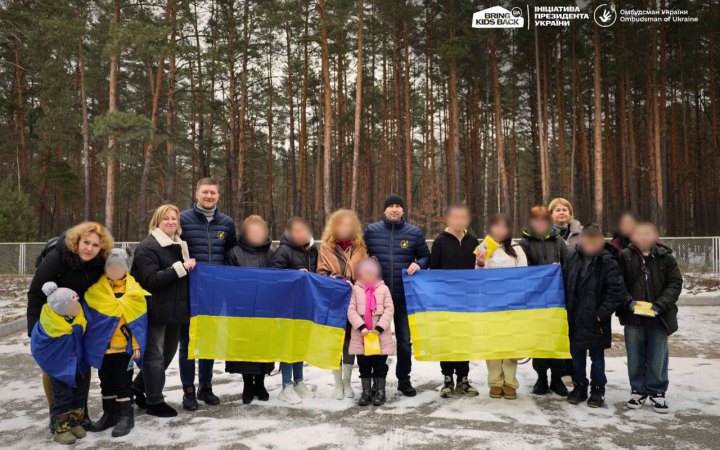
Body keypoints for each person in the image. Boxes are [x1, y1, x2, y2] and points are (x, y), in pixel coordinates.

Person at [27, 221, 113, 430]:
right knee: (54, 366)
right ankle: (57, 413)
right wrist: (35, 331)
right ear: (77, 241)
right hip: (54, 320)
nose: (89, 248)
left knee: (81, 364)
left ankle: (79, 413)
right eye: (86, 242)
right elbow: (36, 293)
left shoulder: (99, 262)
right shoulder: (57, 258)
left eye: (95, 245)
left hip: (80, 320)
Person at [131, 204, 195, 417]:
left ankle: (138, 388)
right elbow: (150, 279)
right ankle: (154, 401)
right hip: (154, 310)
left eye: (174, 219)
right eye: (166, 218)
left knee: (167, 354)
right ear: (157, 222)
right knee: (155, 356)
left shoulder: (179, 244)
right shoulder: (148, 247)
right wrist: (181, 268)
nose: (170, 222)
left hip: (175, 310)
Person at [178, 177, 237, 410]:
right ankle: (188, 390)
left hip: (215, 292)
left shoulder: (227, 223)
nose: (209, 196)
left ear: (218, 196)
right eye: (205, 192)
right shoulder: (182, 219)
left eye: (213, 192)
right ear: (197, 194)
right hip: (188, 290)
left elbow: (232, 255)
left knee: (209, 341)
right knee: (188, 342)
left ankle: (205, 386)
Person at [364, 195, 430, 397]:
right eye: (390, 206)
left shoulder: (414, 233)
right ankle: (377, 380)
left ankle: (404, 380)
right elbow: (360, 256)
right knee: (377, 338)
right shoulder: (371, 231)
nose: (394, 209)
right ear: (384, 211)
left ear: (403, 211)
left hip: (403, 296)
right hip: (377, 297)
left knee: (403, 340)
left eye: (398, 206)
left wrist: (419, 264)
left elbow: (426, 256)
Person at [617, 221, 683, 414]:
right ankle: (637, 390)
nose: (643, 237)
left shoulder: (666, 257)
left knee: (658, 356)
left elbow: (675, 283)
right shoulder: (624, 257)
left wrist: (660, 305)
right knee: (635, 356)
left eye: (648, 233)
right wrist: (628, 302)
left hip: (659, 316)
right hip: (633, 317)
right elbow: (617, 283)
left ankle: (657, 392)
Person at [83, 248, 148, 437]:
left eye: (119, 267)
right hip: (104, 349)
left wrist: (136, 345)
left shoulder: (134, 292)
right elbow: (91, 320)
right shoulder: (96, 291)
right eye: (110, 267)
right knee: (106, 382)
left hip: (124, 350)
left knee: (123, 383)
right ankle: (109, 414)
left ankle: (126, 416)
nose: (114, 271)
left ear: (126, 269)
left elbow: (138, 323)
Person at [563, 224, 625, 408]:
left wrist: (601, 314)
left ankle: (598, 389)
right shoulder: (573, 257)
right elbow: (564, 283)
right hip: (574, 317)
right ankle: (579, 386)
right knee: (576, 355)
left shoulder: (607, 261)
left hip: (596, 320)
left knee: (597, 357)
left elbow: (616, 291)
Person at [429, 204, 479, 398]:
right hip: (446, 300)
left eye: (463, 217)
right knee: (448, 337)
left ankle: (463, 378)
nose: (459, 221)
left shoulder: (473, 241)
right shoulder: (441, 241)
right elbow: (434, 270)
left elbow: (478, 270)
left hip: (467, 299)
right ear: (448, 219)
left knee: (464, 337)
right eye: (455, 217)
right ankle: (447, 378)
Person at [518, 206, 569, 397]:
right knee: (539, 340)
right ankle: (541, 377)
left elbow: (569, 265)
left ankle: (557, 378)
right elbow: (523, 271)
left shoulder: (558, 242)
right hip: (535, 301)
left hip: (557, 300)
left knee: (556, 339)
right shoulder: (524, 243)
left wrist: (559, 271)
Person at [317, 209, 368, 400]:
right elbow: (321, 273)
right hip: (334, 300)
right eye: (341, 224)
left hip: (355, 300)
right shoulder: (326, 247)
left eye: (348, 224)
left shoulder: (360, 247)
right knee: (334, 340)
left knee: (350, 340)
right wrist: (338, 279)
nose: (345, 228)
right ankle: (337, 383)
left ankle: (347, 382)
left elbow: (366, 271)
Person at [476, 213, 528, 400]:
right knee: (493, 342)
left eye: (504, 227)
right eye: (496, 226)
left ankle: (510, 382)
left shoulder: (516, 249)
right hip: (491, 304)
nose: (500, 230)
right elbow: (476, 277)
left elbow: (524, 276)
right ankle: (495, 382)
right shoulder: (483, 247)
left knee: (510, 342)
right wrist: (480, 264)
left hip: (512, 304)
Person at [224, 215, 275, 405]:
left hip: (265, 308)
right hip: (242, 308)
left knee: (263, 346)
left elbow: (279, 277)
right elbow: (228, 279)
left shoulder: (271, 253)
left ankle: (260, 383)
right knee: (245, 347)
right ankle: (247, 384)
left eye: (259, 231)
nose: (256, 235)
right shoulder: (234, 253)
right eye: (252, 231)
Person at [30, 283, 87, 445]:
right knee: (62, 397)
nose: (77, 306)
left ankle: (75, 423)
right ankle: (61, 429)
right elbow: (41, 346)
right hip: (60, 367)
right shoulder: (49, 323)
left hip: (77, 365)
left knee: (79, 394)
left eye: (77, 302)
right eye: (72, 304)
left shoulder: (78, 317)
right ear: (60, 307)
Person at [272, 216, 318, 404]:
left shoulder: (314, 250)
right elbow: (275, 275)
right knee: (289, 344)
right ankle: (286, 385)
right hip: (287, 306)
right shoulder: (283, 250)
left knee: (300, 343)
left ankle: (299, 381)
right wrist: (295, 275)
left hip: (306, 305)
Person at [347, 258, 395, 406]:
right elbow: (351, 310)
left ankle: (380, 390)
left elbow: (389, 309)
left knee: (380, 364)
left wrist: (380, 327)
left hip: (379, 335)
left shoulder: (384, 289)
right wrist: (361, 327)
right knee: (364, 364)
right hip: (362, 335)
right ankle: (366, 391)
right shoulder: (356, 289)